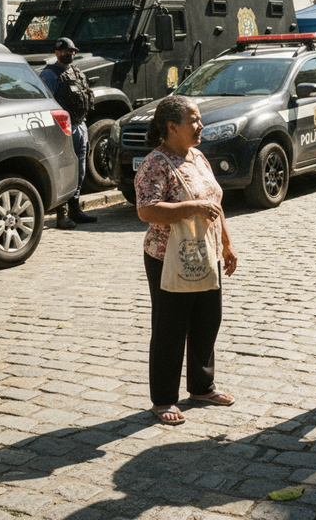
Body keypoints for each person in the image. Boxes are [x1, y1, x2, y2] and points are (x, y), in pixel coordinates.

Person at [135, 95, 237, 425]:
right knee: (170, 326)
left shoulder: (197, 157)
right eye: (194, 120)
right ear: (171, 127)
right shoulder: (155, 163)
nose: (200, 125)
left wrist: (226, 244)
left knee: (208, 319)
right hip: (167, 257)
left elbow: (215, 203)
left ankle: (202, 386)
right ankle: (163, 398)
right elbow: (146, 210)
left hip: (205, 252)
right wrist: (191, 208)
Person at [40, 37, 96, 229]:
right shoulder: (50, 74)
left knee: (80, 169)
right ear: (57, 53)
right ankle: (61, 214)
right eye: (65, 51)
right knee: (65, 169)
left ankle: (75, 209)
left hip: (80, 126)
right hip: (63, 128)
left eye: (72, 51)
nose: (70, 54)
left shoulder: (77, 72)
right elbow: (46, 102)